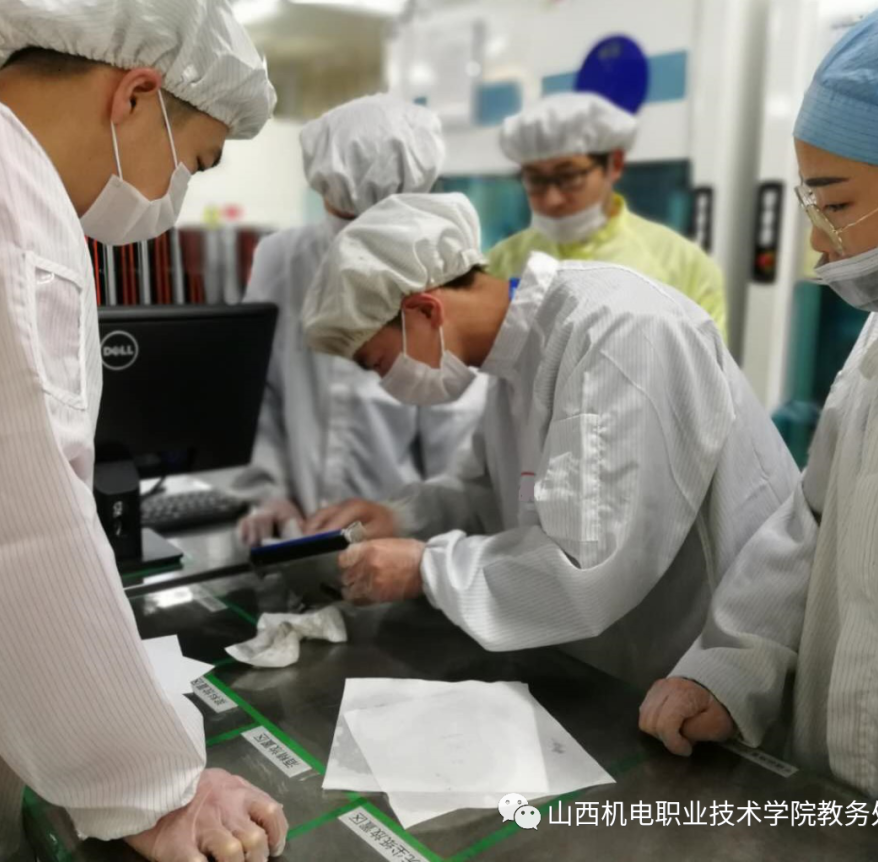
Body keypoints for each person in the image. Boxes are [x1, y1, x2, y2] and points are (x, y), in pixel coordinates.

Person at [0, 1, 289, 860]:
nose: (174, 197)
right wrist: (150, 789)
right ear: (136, 95)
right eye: (193, 161)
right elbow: (6, 539)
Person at [298, 193, 797, 689]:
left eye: (379, 363)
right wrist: (402, 518)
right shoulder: (516, 364)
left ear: (425, 311)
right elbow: (488, 495)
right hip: (619, 667)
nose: (387, 383)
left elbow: (586, 564)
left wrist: (424, 570)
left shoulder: (616, 332)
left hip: (712, 668)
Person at [638, 0, 878, 825]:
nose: (819, 244)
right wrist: (733, 668)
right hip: (837, 799)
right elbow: (816, 516)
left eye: (836, 207)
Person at [234, 95, 487, 546]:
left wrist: (410, 523)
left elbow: (459, 442)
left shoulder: (440, 267)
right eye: (346, 219)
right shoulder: (281, 260)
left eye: (376, 227)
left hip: (402, 538)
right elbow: (257, 392)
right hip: (297, 529)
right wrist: (269, 491)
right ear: (323, 193)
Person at [488, 92, 728, 339]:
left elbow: (708, 361)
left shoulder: (682, 264)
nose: (552, 199)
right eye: (535, 179)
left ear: (615, 164)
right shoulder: (502, 261)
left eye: (569, 176)